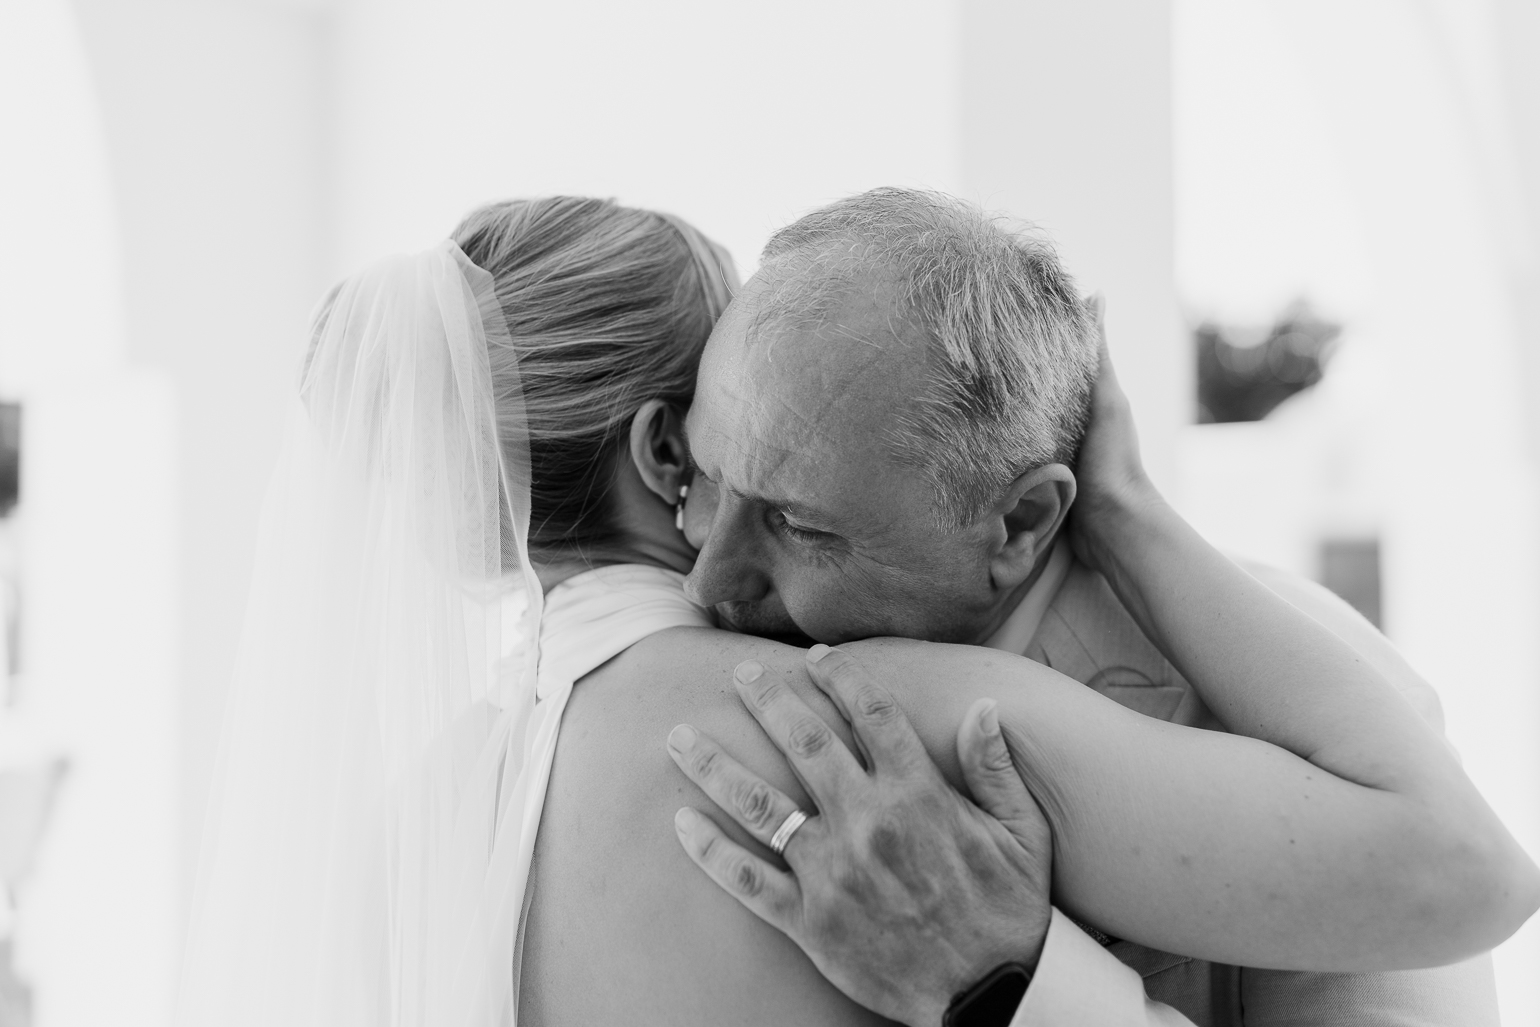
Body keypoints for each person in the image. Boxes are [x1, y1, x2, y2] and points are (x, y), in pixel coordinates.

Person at [175, 195, 1536, 1027]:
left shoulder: (408, 822)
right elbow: (1462, 873)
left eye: (805, 511)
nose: (729, 581)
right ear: (668, 448)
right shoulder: (866, 718)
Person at [666, 188, 1540, 1024]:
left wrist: (1006, 989)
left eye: (797, 525)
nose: (708, 577)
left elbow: (1468, 880)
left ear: (1021, 521)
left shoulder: (1316, 705)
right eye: (705, 477)